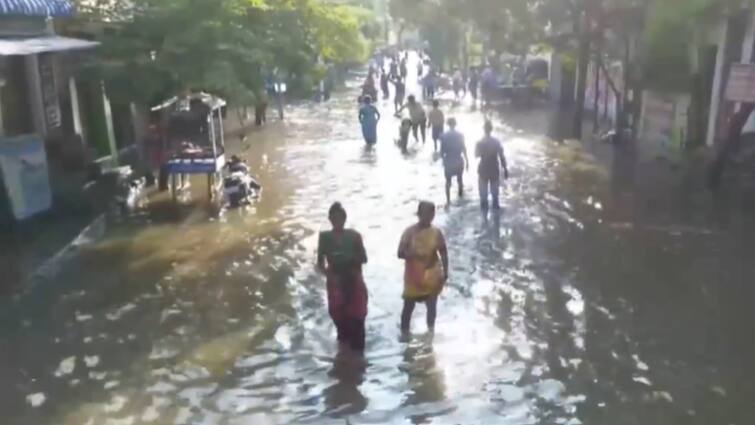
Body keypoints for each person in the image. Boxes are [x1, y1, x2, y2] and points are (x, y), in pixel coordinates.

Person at [317, 202, 369, 352]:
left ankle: (358, 359)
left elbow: (364, 258)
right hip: (336, 281)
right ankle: (344, 358)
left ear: (345, 218)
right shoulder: (324, 237)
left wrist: (351, 258)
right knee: (340, 321)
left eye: (340, 218)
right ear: (329, 219)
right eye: (333, 218)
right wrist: (329, 275)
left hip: (353, 277)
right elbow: (320, 263)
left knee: (358, 319)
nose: (337, 221)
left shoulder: (354, 236)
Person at [398, 201, 448, 333]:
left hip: (432, 275)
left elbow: (443, 251)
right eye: (425, 214)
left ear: (433, 215)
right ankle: (404, 334)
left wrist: (446, 272)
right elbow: (400, 252)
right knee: (408, 307)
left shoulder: (436, 233)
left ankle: (430, 333)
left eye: (430, 214)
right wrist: (412, 254)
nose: (428, 217)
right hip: (413, 277)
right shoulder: (409, 233)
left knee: (431, 307)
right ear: (419, 214)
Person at [475, 120, 509, 213]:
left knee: (483, 197)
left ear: (483, 129)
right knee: (495, 196)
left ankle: (484, 221)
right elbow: (502, 156)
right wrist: (505, 168)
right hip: (494, 168)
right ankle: (496, 222)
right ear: (491, 129)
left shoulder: (479, 142)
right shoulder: (496, 142)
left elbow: (476, 155)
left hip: (483, 168)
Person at [440, 118, 468, 204]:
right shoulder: (460, 135)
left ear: (447, 124)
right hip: (458, 160)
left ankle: (448, 200)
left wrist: (443, 160)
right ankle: (460, 197)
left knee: (448, 182)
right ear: (455, 124)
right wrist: (467, 160)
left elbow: (441, 151)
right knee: (460, 180)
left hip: (448, 160)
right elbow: (464, 148)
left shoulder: (444, 135)